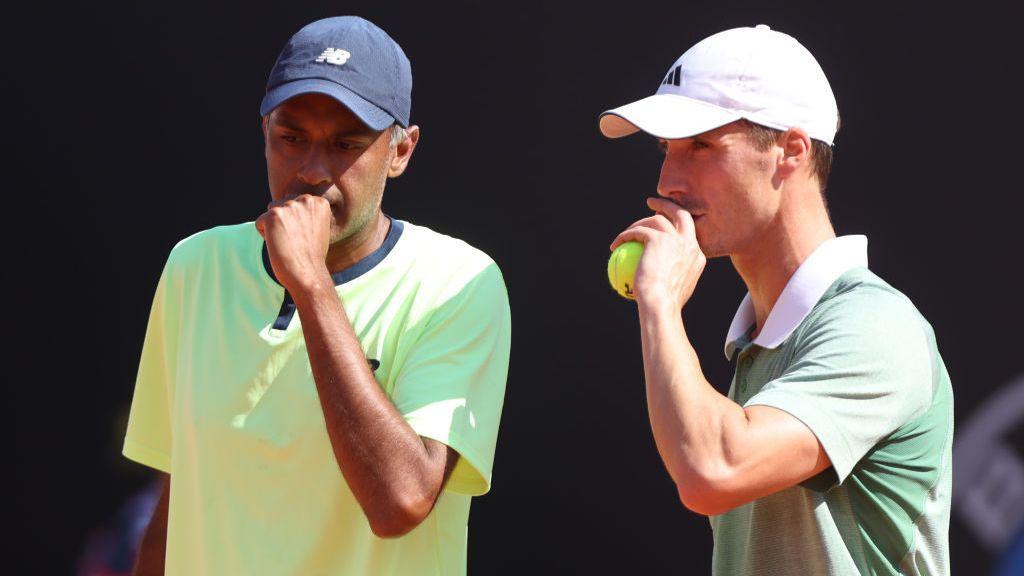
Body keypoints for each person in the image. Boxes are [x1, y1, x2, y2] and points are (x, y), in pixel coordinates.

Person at [123, 16, 511, 576]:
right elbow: (178, 495)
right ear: (264, 132)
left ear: (401, 151)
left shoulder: (458, 282)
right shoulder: (194, 264)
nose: (311, 170)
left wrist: (310, 284)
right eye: (292, 138)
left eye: (346, 144)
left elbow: (400, 501)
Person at [600, 25, 952, 575]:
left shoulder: (876, 326)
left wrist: (661, 306)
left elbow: (712, 470)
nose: (668, 179)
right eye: (667, 150)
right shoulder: (755, 343)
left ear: (790, 152)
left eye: (702, 146)